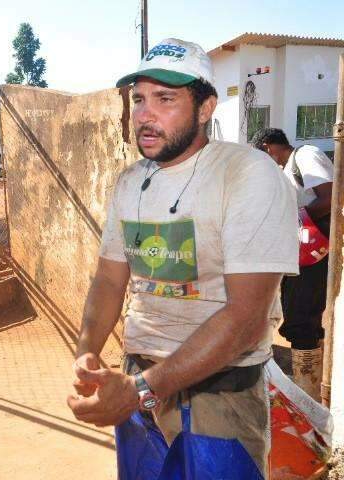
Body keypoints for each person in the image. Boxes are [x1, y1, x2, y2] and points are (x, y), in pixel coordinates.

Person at [66, 38, 298, 478]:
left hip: (220, 394)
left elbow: (247, 316)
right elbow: (109, 281)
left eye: (165, 99)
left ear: (206, 107)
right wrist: (86, 352)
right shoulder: (130, 183)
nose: (145, 114)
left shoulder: (246, 174)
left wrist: (139, 391)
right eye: (139, 99)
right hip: (139, 378)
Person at [252, 127, 333, 400]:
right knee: (301, 319)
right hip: (299, 257)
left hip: (316, 255)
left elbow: (331, 198)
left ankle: (307, 397)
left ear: (267, 147)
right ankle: (311, 393)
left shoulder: (305, 155)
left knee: (302, 322)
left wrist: (296, 216)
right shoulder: (286, 171)